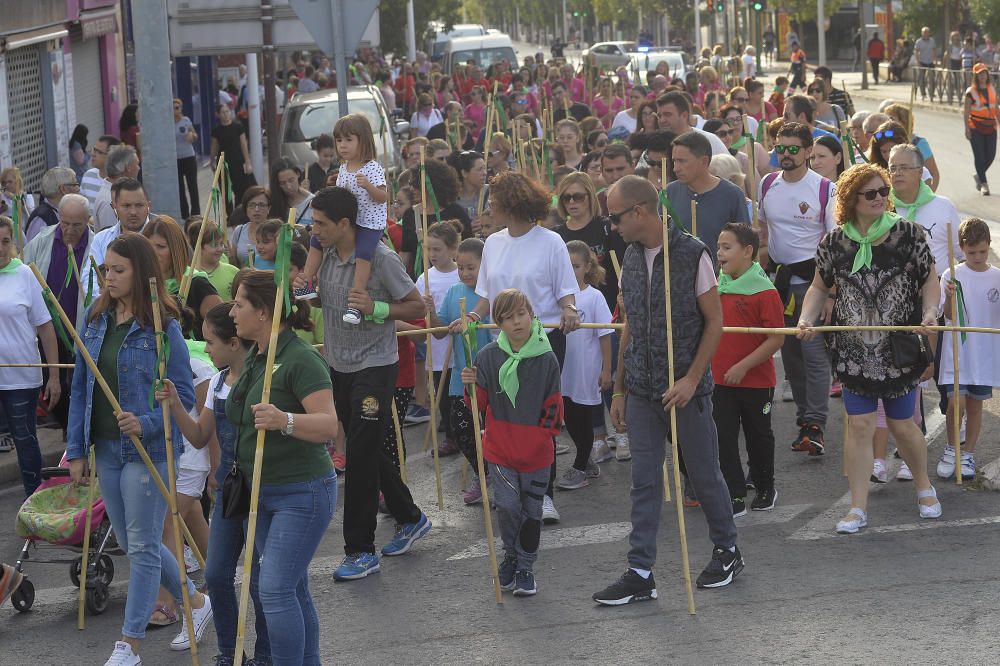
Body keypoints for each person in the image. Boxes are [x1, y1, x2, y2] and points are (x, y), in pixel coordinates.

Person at [593, 175, 742, 606]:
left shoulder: (694, 253)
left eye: (616, 217)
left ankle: (728, 550)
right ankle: (640, 570)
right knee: (644, 482)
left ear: (639, 211)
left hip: (686, 390)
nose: (613, 226)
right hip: (640, 390)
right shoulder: (629, 257)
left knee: (703, 474)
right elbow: (629, 328)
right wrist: (619, 389)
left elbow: (715, 322)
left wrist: (693, 379)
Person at [66, 233, 210, 665]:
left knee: (144, 545)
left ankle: (129, 644)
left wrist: (145, 420)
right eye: (106, 269)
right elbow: (79, 389)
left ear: (141, 273)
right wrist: (75, 449)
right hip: (106, 449)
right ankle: (198, 604)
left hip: (149, 449)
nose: (108, 277)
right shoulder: (94, 320)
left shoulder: (164, 328)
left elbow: (183, 396)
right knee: (132, 543)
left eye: (118, 270)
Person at [797, 163, 942, 534]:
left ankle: (924, 485)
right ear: (851, 200)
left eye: (883, 191)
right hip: (853, 352)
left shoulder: (909, 234)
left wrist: (929, 313)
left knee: (902, 425)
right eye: (871, 193)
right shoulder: (833, 243)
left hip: (899, 349)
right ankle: (857, 508)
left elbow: (930, 279)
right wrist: (806, 319)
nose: (880, 198)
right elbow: (818, 287)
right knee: (859, 426)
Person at [309, 186, 432, 581]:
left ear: (345, 224)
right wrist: (303, 291)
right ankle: (410, 517)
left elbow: (417, 307)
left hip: (376, 365)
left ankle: (360, 550)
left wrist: (377, 308)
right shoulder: (324, 253)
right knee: (368, 446)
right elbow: (321, 299)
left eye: (321, 224)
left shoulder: (379, 257)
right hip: (338, 363)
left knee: (359, 455)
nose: (315, 231)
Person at [221, 270, 338, 663]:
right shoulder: (255, 355)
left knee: (274, 590)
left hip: (301, 492)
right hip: (260, 491)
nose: (232, 311)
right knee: (292, 589)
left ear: (263, 312)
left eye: (239, 304)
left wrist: (284, 420)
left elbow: (328, 426)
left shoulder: (301, 358)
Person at [461, 289, 563, 597]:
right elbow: (477, 405)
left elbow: (554, 407)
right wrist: (469, 386)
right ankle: (510, 555)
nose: (517, 322)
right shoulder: (488, 356)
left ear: (531, 315)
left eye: (521, 314)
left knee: (532, 514)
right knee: (506, 506)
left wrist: (540, 439)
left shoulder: (547, 357)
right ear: (498, 323)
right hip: (501, 448)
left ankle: (525, 567)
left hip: (537, 451)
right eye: (508, 317)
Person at [757, 122, 836, 453]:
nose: (785, 154)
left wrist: (831, 292)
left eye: (793, 149)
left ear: (808, 152)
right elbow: (762, 231)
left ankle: (815, 424)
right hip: (780, 284)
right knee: (790, 356)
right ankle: (805, 421)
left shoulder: (825, 189)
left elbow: (834, 243)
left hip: (813, 285)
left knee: (814, 355)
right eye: (780, 148)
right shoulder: (767, 183)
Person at [712, 224, 784, 514]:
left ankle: (766, 486)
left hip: (756, 380)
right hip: (719, 380)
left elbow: (777, 338)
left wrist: (743, 366)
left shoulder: (765, 292)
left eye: (726, 247)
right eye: (718, 246)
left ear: (748, 252)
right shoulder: (715, 287)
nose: (719, 253)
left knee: (758, 435)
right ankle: (735, 493)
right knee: (724, 437)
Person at [0, 216, 61, 496]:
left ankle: (34, 502)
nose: (1, 248)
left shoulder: (25, 274)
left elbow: (46, 326)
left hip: (22, 378)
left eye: (5, 241)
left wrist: (55, 376)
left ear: (13, 242)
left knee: (25, 441)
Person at [937, 218, 998, 481]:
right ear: (961, 248)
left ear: (989, 246)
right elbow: (948, 315)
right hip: (958, 353)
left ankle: (969, 454)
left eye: (982, 252)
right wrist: (950, 296)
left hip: (984, 353)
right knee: (955, 403)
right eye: (971, 252)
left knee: (975, 406)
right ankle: (952, 449)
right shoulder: (951, 274)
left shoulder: (997, 276)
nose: (977, 256)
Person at [555, 242, 613, 489]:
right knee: (568, 416)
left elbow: (605, 335)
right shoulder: (557, 298)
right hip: (563, 368)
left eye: (576, 266)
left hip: (585, 368)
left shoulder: (594, 296)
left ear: (587, 267)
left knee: (583, 416)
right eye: (566, 267)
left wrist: (607, 369)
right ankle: (587, 460)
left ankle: (579, 466)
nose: (571, 271)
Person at [665, 131, 751, 259]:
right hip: (679, 275)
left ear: (704, 161)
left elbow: (744, 244)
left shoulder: (732, 195)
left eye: (682, 161)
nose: (675, 168)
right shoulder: (669, 193)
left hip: (720, 277)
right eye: (674, 161)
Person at [141, 215, 223, 337]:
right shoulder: (140, 284)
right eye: (148, 246)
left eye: (161, 247)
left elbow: (223, 327)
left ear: (176, 249)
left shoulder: (196, 283)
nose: (153, 253)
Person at [87, 178, 156, 297]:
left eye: (139, 205)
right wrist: (109, 305)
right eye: (126, 206)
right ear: (115, 207)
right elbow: (89, 280)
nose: (133, 212)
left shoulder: (160, 236)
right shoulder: (101, 239)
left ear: (148, 205)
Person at [884, 103, 940, 191]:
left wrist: (927, 198)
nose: (887, 122)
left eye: (891, 119)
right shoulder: (885, 143)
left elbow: (934, 174)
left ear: (904, 122)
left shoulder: (919, 143)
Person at [964, 62, 999, 196]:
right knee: (979, 156)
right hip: (975, 127)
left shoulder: (992, 88)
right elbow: (966, 112)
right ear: (975, 76)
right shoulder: (970, 92)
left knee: (990, 155)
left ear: (987, 74)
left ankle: (979, 174)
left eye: (984, 73)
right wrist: (966, 128)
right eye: (979, 74)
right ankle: (984, 184)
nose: (982, 76)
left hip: (991, 126)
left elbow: (995, 108)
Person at [655, 91, 728, 156]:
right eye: (659, 116)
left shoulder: (710, 141)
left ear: (684, 115)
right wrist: (661, 166)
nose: (661, 120)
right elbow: (660, 170)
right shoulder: (656, 146)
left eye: (667, 114)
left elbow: (729, 169)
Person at [186, 220, 240, 301]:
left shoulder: (234, 272)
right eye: (214, 245)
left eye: (221, 244)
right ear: (199, 247)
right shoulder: (189, 275)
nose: (220, 249)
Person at [210, 103, 254, 204]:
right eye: (223, 112)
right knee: (226, 191)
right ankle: (229, 216)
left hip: (237, 162)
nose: (225, 114)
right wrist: (212, 161)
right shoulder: (216, 131)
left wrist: (247, 161)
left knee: (240, 190)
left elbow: (243, 144)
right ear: (218, 115)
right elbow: (214, 147)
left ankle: (239, 212)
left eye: (227, 112)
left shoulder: (238, 127)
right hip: (223, 163)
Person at [92, 145, 142, 232]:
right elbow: (111, 241)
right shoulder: (108, 201)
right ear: (128, 168)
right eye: (137, 164)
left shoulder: (116, 194)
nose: (139, 168)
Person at [25, 166, 78, 243]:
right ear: (63, 189)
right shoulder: (42, 218)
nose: (78, 189)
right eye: (75, 185)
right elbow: (32, 251)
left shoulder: (65, 212)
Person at [228, 186, 270, 266]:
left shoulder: (276, 231)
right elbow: (234, 265)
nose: (256, 209)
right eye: (252, 205)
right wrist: (229, 256)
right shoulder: (239, 231)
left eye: (261, 205)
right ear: (246, 209)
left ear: (269, 208)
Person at [174, 99, 200, 220]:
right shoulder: (167, 123)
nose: (175, 110)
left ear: (181, 108)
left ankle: (196, 213)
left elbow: (195, 135)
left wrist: (192, 136)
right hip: (176, 159)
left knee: (192, 185)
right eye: (173, 108)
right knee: (179, 188)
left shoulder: (186, 120)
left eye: (178, 107)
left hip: (188, 156)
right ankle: (184, 214)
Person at [268, 158, 314, 227]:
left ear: (298, 174)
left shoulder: (312, 201)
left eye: (291, 180)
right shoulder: (274, 202)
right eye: (283, 183)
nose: (288, 186)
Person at [80, 135, 122, 207]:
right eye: (94, 150)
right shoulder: (88, 175)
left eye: (99, 152)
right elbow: (82, 206)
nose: (93, 154)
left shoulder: (123, 182)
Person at [914, 27, 937, 100]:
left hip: (930, 62)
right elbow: (916, 52)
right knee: (922, 78)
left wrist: (935, 60)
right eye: (924, 32)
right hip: (922, 62)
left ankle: (932, 93)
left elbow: (934, 51)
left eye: (927, 32)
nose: (926, 34)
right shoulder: (919, 42)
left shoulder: (932, 41)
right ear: (922, 33)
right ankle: (923, 93)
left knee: (932, 78)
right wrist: (918, 62)